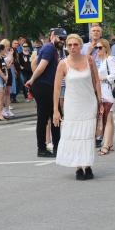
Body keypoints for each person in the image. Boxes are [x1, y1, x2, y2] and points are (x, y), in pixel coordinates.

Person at [53, 34, 103, 180]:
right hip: (72, 105)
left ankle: (87, 166)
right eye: (70, 45)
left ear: (81, 46)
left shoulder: (89, 60)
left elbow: (97, 82)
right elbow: (56, 89)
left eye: (75, 45)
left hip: (89, 103)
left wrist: (100, 101)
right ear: (66, 47)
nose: (73, 47)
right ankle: (78, 167)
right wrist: (56, 110)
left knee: (87, 135)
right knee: (75, 135)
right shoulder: (63, 64)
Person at [26, 28, 66, 158]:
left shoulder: (50, 48)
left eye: (64, 39)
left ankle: (53, 147)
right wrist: (32, 79)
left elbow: (34, 62)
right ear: (52, 36)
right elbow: (41, 66)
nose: (62, 41)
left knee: (53, 117)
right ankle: (44, 149)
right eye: (60, 38)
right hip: (44, 86)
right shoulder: (49, 48)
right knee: (48, 117)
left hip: (46, 86)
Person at [94, 38, 115, 155]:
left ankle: (105, 145)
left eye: (100, 48)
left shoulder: (109, 59)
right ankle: (110, 143)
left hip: (108, 90)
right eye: (96, 48)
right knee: (110, 119)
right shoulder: (102, 61)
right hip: (103, 90)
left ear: (106, 48)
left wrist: (103, 78)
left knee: (107, 118)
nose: (97, 50)